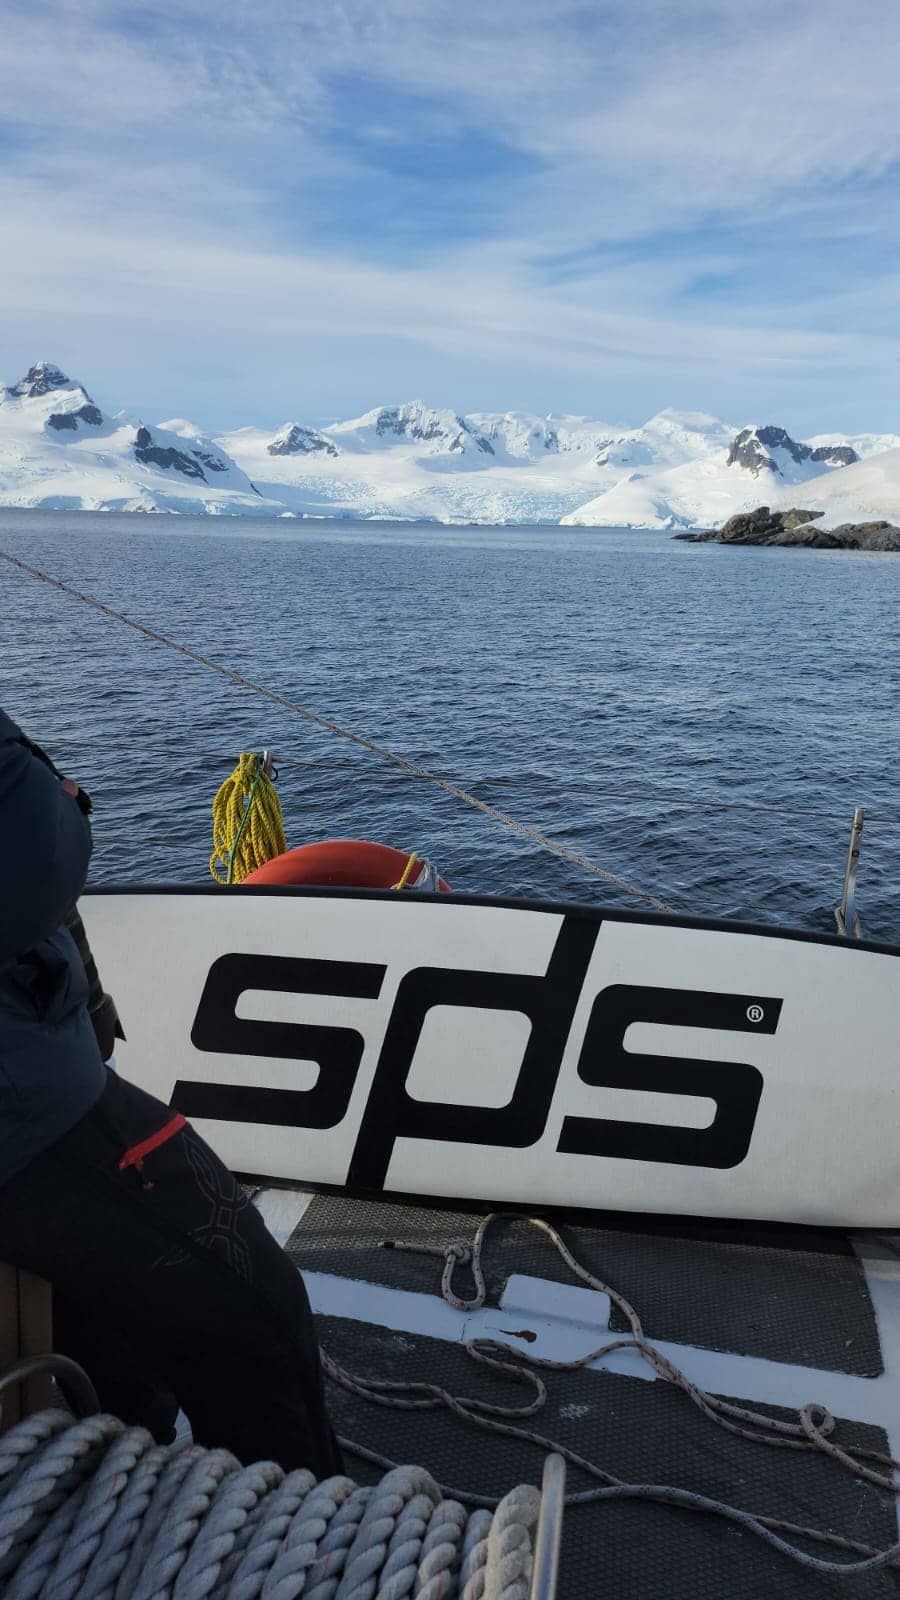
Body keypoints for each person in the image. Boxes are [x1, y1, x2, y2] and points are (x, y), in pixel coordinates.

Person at [0, 706, 342, 1475]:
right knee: (262, 1319)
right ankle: (279, 1532)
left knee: (109, 1332)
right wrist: (62, 803)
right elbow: (28, 855)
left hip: (41, 1068)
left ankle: (117, 1487)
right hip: (29, 1109)